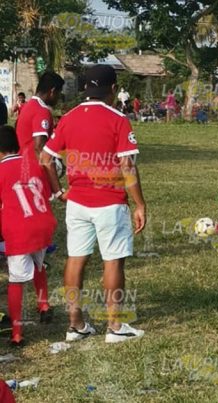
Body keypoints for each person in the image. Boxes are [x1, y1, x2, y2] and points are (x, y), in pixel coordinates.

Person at [40, 64, 147, 343]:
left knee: (76, 259)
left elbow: (46, 159)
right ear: (113, 89)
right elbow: (127, 167)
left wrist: (57, 192)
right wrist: (139, 205)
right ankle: (115, 326)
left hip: (77, 202)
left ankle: (75, 324)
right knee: (113, 262)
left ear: (86, 88)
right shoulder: (118, 119)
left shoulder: (68, 118)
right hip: (109, 203)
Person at [0, 126, 57, 346]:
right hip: (43, 224)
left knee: (16, 279)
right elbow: (46, 193)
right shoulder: (31, 164)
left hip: (19, 231)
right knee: (38, 263)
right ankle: (43, 304)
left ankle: (16, 333)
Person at [14, 70, 65, 284]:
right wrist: (55, 178)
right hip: (32, 171)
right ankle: (36, 255)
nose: (59, 98)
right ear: (52, 91)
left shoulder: (28, 106)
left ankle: (31, 251)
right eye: (59, 93)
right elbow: (39, 147)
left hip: (20, 167)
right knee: (39, 213)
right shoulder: (42, 111)